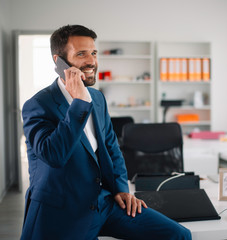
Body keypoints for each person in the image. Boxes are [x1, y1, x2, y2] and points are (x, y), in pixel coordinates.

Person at [20, 24, 192, 240]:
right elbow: (54, 155)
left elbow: (112, 148)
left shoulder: (98, 98)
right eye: (81, 54)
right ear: (59, 61)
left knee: (179, 235)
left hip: (103, 202)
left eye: (93, 53)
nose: (91, 61)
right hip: (62, 212)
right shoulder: (37, 104)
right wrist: (79, 103)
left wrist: (121, 188)